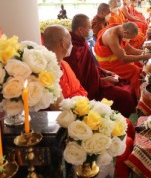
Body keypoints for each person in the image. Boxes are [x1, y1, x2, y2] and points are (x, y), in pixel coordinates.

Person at [43, 25, 135, 178]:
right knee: (126, 141)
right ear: (64, 43)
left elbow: (80, 91)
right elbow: (61, 109)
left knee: (128, 124)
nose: (71, 44)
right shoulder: (48, 74)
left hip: (84, 107)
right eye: (69, 40)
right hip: (74, 119)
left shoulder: (64, 64)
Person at [64, 14, 137, 117]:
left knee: (125, 83)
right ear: (80, 29)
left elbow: (89, 65)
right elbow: (80, 81)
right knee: (125, 95)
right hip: (92, 88)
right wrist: (103, 80)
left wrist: (104, 71)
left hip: (97, 75)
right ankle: (118, 121)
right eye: (89, 27)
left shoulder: (81, 41)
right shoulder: (74, 50)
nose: (91, 29)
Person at [94, 22, 151, 98]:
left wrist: (143, 53)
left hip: (117, 57)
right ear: (125, 33)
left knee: (139, 64)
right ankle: (135, 96)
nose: (129, 40)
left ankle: (139, 90)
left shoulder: (121, 29)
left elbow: (128, 48)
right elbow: (124, 59)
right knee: (135, 70)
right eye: (129, 38)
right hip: (108, 63)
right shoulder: (111, 36)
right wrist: (144, 57)